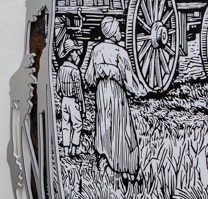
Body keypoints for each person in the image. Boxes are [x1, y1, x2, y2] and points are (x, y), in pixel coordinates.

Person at [87, 16, 146, 176]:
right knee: (121, 125)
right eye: (118, 29)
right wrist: (139, 91)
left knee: (104, 123)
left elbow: (89, 77)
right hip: (116, 93)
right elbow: (129, 81)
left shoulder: (96, 50)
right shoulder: (121, 52)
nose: (120, 32)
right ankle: (124, 165)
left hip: (101, 92)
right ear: (113, 33)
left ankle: (104, 158)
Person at [52, 38, 84, 151]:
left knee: (65, 125)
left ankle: (65, 150)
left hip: (64, 100)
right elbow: (79, 90)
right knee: (77, 125)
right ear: (71, 54)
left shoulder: (61, 69)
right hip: (73, 100)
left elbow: (57, 89)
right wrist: (81, 105)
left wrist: (63, 95)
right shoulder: (75, 70)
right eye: (75, 52)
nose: (77, 54)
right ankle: (73, 150)